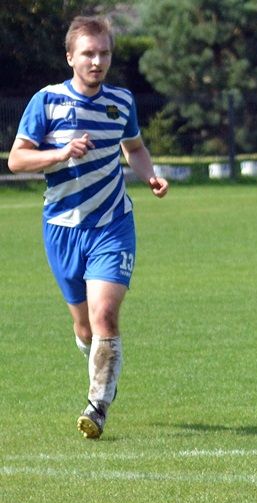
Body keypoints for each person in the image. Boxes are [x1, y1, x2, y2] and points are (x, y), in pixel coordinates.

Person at [7, 15, 170, 439]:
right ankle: (100, 359)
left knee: (105, 314)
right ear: (70, 57)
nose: (97, 62)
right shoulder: (47, 102)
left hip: (112, 224)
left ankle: (97, 407)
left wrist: (149, 175)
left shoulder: (121, 101)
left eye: (104, 54)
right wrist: (60, 153)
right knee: (84, 327)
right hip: (62, 228)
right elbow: (17, 159)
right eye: (88, 54)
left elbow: (135, 148)